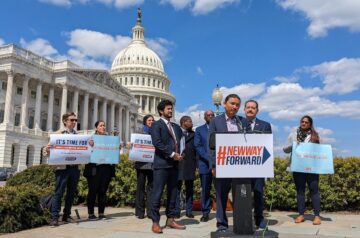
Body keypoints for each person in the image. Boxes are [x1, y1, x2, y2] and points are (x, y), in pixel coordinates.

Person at [208, 94, 244, 233]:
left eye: (237, 105)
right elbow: (210, 146)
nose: (235, 107)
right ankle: (222, 224)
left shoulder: (242, 121)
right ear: (224, 104)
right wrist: (214, 165)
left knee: (240, 195)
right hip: (222, 165)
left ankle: (241, 223)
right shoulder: (216, 121)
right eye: (232, 103)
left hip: (240, 166)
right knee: (222, 195)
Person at [149, 100, 186, 234]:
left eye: (171, 109)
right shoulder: (156, 125)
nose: (171, 111)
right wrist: (171, 154)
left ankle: (171, 219)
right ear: (161, 111)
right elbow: (157, 143)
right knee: (157, 193)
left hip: (175, 165)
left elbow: (181, 142)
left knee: (173, 193)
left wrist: (181, 154)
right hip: (162, 165)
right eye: (168, 109)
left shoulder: (176, 127)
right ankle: (155, 222)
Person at [45, 112, 82, 227]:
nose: (74, 122)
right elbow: (46, 152)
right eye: (72, 120)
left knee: (71, 194)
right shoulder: (57, 135)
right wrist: (47, 149)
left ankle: (66, 215)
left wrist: (89, 145)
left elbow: (84, 151)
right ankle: (55, 217)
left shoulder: (79, 136)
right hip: (62, 168)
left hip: (75, 168)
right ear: (65, 121)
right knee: (58, 193)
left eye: (75, 120)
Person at [283, 115, 322, 225]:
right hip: (298, 167)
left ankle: (317, 216)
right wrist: (293, 145)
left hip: (312, 168)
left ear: (310, 124)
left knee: (314, 191)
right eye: (302, 121)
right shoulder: (293, 134)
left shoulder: (315, 135)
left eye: (306, 122)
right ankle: (301, 215)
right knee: (300, 191)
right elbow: (285, 150)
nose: (303, 123)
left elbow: (321, 151)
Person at [242, 100, 272, 230]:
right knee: (243, 195)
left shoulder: (265, 125)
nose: (250, 109)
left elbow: (268, 146)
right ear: (244, 110)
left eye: (253, 108)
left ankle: (259, 220)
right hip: (241, 168)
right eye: (248, 107)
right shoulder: (238, 124)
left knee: (258, 195)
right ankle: (244, 221)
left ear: (257, 110)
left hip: (258, 167)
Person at [83, 120, 116, 220]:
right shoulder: (91, 139)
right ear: (96, 128)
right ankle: (91, 213)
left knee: (103, 191)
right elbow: (85, 152)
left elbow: (112, 152)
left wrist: (116, 147)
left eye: (104, 125)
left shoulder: (109, 139)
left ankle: (101, 213)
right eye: (101, 126)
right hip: (94, 169)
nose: (103, 127)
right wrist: (90, 145)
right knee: (92, 191)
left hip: (106, 168)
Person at [194, 110, 215, 222]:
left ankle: (221, 212)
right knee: (205, 190)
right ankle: (205, 212)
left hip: (219, 164)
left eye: (212, 115)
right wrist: (209, 158)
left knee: (220, 189)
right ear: (204, 117)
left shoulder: (219, 128)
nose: (210, 116)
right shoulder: (199, 130)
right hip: (205, 164)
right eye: (208, 115)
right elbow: (198, 146)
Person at [175, 116, 197, 218]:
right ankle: (176, 210)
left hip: (189, 164)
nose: (191, 123)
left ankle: (189, 210)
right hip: (177, 163)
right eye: (189, 121)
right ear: (183, 122)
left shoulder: (193, 134)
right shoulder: (176, 132)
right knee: (176, 188)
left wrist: (196, 164)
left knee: (189, 189)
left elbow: (196, 150)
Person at [134, 115, 154, 219]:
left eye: (152, 120)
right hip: (141, 164)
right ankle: (140, 211)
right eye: (149, 120)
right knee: (140, 188)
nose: (151, 122)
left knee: (151, 188)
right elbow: (135, 144)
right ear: (145, 122)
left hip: (152, 164)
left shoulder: (156, 132)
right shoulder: (140, 132)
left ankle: (150, 211)